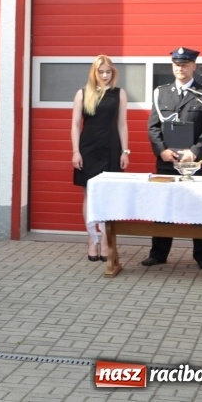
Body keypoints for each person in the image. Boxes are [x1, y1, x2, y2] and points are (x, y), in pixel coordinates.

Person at [143, 47, 202, 270]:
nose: (180, 68)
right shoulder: (161, 92)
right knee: (162, 208)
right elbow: (153, 127)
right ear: (172, 66)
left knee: (199, 208)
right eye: (177, 64)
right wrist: (162, 150)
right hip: (166, 161)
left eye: (185, 64)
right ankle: (158, 253)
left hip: (193, 163)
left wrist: (194, 151)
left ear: (194, 66)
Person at [71, 55, 129, 262]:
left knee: (109, 195)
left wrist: (125, 151)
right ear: (94, 73)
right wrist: (75, 152)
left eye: (108, 72)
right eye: (101, 72)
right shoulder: (82, 93)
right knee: (89, 194)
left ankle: (105, 240)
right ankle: (91, 239)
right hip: (88, 149)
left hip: (112, 148)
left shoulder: (119, 94)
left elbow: (122, 124)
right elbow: (76, 125)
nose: (105, 75)